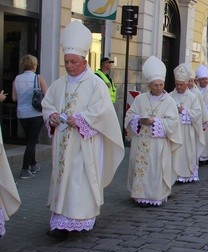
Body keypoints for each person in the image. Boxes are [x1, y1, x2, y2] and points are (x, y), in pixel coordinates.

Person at [42, 21, 124, 240]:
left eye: (73, 62)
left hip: (84, 143)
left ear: (84, 61)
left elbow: (103, 111)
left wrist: (79, 119)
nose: (69, 65)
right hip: (62, 143)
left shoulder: (96, 84)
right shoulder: (59, 83)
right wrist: (51, 116)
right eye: (66, 61)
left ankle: (79, 219)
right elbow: (48, 103)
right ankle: (59, 221)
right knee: (62, 178)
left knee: (78, 180)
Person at [126, 56, 184, 207]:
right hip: (141, 142)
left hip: (158, 143)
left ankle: (155, 196)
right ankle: (139, 195)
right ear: (149, 85)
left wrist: (156, 122)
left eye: (160, 84)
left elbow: (173, 123)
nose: (158, 88)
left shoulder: (169, 101)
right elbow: (129, 115)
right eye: (155, 85)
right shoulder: (140, 99)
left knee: (155, 170)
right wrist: (138, 120)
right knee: (140, 168)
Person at [12, 54, 48, 178]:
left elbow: (14, 98)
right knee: (31, 142)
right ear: (34, 65)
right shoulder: (38, 78)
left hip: (21, 114)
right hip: (36, 114)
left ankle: (33, 164)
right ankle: (24, 170)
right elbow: (47, 95)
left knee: (29, 140)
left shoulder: (17, 79)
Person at [170, 63, 205, 183]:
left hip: (187, 132)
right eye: (177, 84)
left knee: (186, 153)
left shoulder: (192, 97)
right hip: (174, 131)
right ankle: (174, 174)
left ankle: (186, 174)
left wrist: (183, 111)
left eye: (181, 84)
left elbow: (197, 113)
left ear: (186, 84)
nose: (179, 87)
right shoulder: (169, 96)